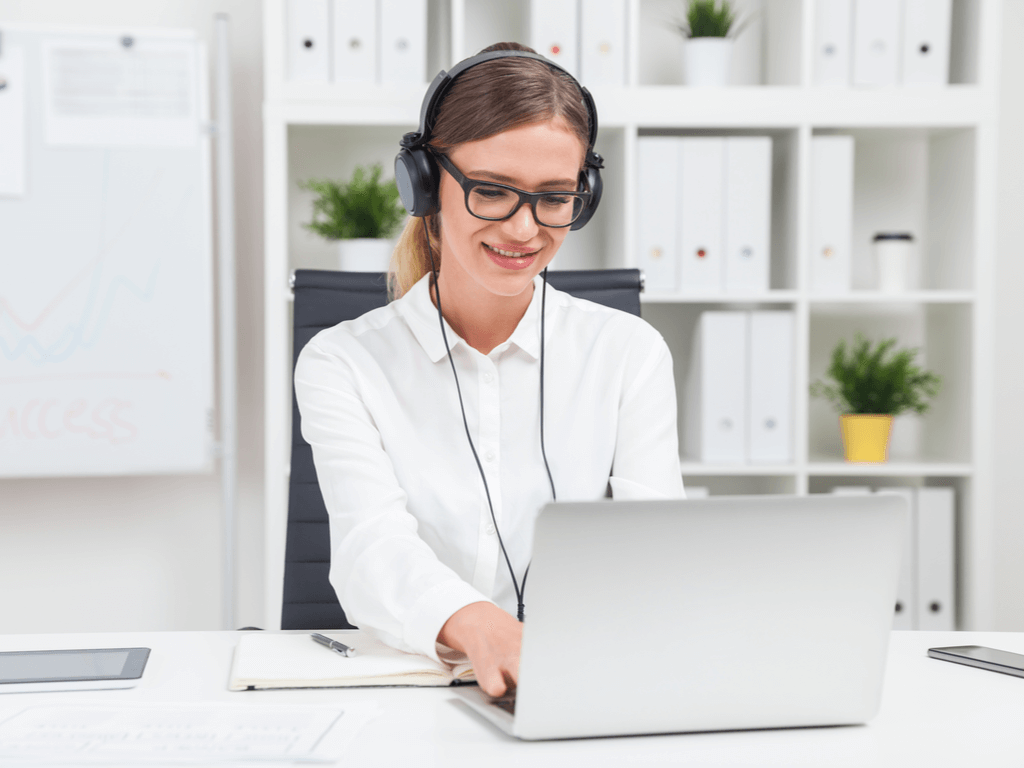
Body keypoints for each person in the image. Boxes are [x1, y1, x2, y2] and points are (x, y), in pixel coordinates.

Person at [294, 42, 684, 698]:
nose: (526, 229)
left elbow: (660, 555)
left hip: (578, 684)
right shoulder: (343, 362)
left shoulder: (629, 354)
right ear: (423, 184)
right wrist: (479, 626)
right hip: (409, 696)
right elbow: (371, 549)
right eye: (492, 191)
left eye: (555, 198)